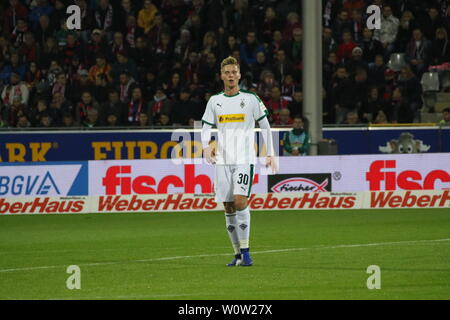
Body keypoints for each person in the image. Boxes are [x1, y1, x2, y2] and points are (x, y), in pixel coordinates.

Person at [201, 56, 277, 267]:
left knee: (240, 201)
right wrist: (206, 146)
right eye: (227, 72)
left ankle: (246, 252)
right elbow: (206, 127)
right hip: (223, 160)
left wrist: (270, 153)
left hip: (244, 158)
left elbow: (265, 127)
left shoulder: (251, 99)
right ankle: (236, 254)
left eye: (234, 72)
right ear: (221, 76)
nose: (231, 75)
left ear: (239, 75)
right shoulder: (215, 101)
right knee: (227, 206)